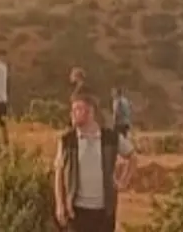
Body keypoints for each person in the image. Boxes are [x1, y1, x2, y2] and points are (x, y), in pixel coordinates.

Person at [54, 93, 136, 232]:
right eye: (72, 109)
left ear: (90, 112)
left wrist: (123, 181)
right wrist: (60, 205)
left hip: (104, 211)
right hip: (76, 211)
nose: (72, 114)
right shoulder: (66, 141)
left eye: (78, 109)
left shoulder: (111, 138)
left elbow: (132, 157)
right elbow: (59, 174)